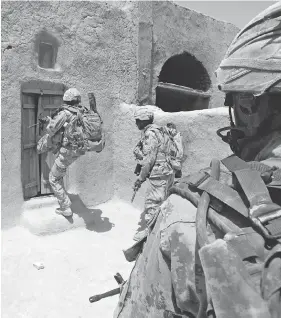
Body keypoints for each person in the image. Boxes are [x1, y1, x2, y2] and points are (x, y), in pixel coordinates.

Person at [114, 3, 281, 318]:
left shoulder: (186, 214)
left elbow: (149, 160)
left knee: (155, 207)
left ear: (248, 106)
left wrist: (139, 175)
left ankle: (141, 232)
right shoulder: (167, 132)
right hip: (169, 174)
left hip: (159, 178)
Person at [132, 107, 175, 241]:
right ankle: (163, 230)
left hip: (158, 174)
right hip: (168, 171)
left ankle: (149, 235)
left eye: (137, 121)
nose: (136, 124)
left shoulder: (150, 134)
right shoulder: (162, 131)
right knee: (163, 203)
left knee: (152, 203)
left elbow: (149, 159)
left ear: (144, 121)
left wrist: (141, 178)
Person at [46, 88, 87, 217]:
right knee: (59, 174)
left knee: (53, 178)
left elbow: (51, 129)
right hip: (78, 150)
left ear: (66, 100)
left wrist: (49, 123)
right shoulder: (82, 112)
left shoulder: (65, 113)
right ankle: (64, 200)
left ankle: (65, 207)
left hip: (67, 151)